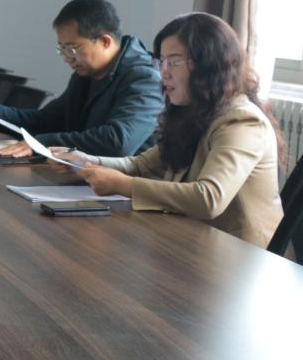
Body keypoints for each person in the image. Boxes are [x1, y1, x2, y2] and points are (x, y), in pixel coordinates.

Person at [73, 13, 285, 248]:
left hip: (244, 256)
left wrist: (124, 185)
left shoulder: (242, 120)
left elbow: (209, 198)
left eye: (173, 62)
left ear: (208, 66)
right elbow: (140, 166)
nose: (164, 72)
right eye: (161, 61)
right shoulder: (195, 111)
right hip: (196, 241)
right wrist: (82, 162)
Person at [0, 0, 163, 157]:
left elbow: (118, 142)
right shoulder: (85, 74)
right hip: (84, 175)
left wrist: (42, 143)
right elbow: (49, 120)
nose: (67, 58)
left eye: (72, 48)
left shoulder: (145, 79)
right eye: (62, 49)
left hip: (126, 186)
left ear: (105, 41)